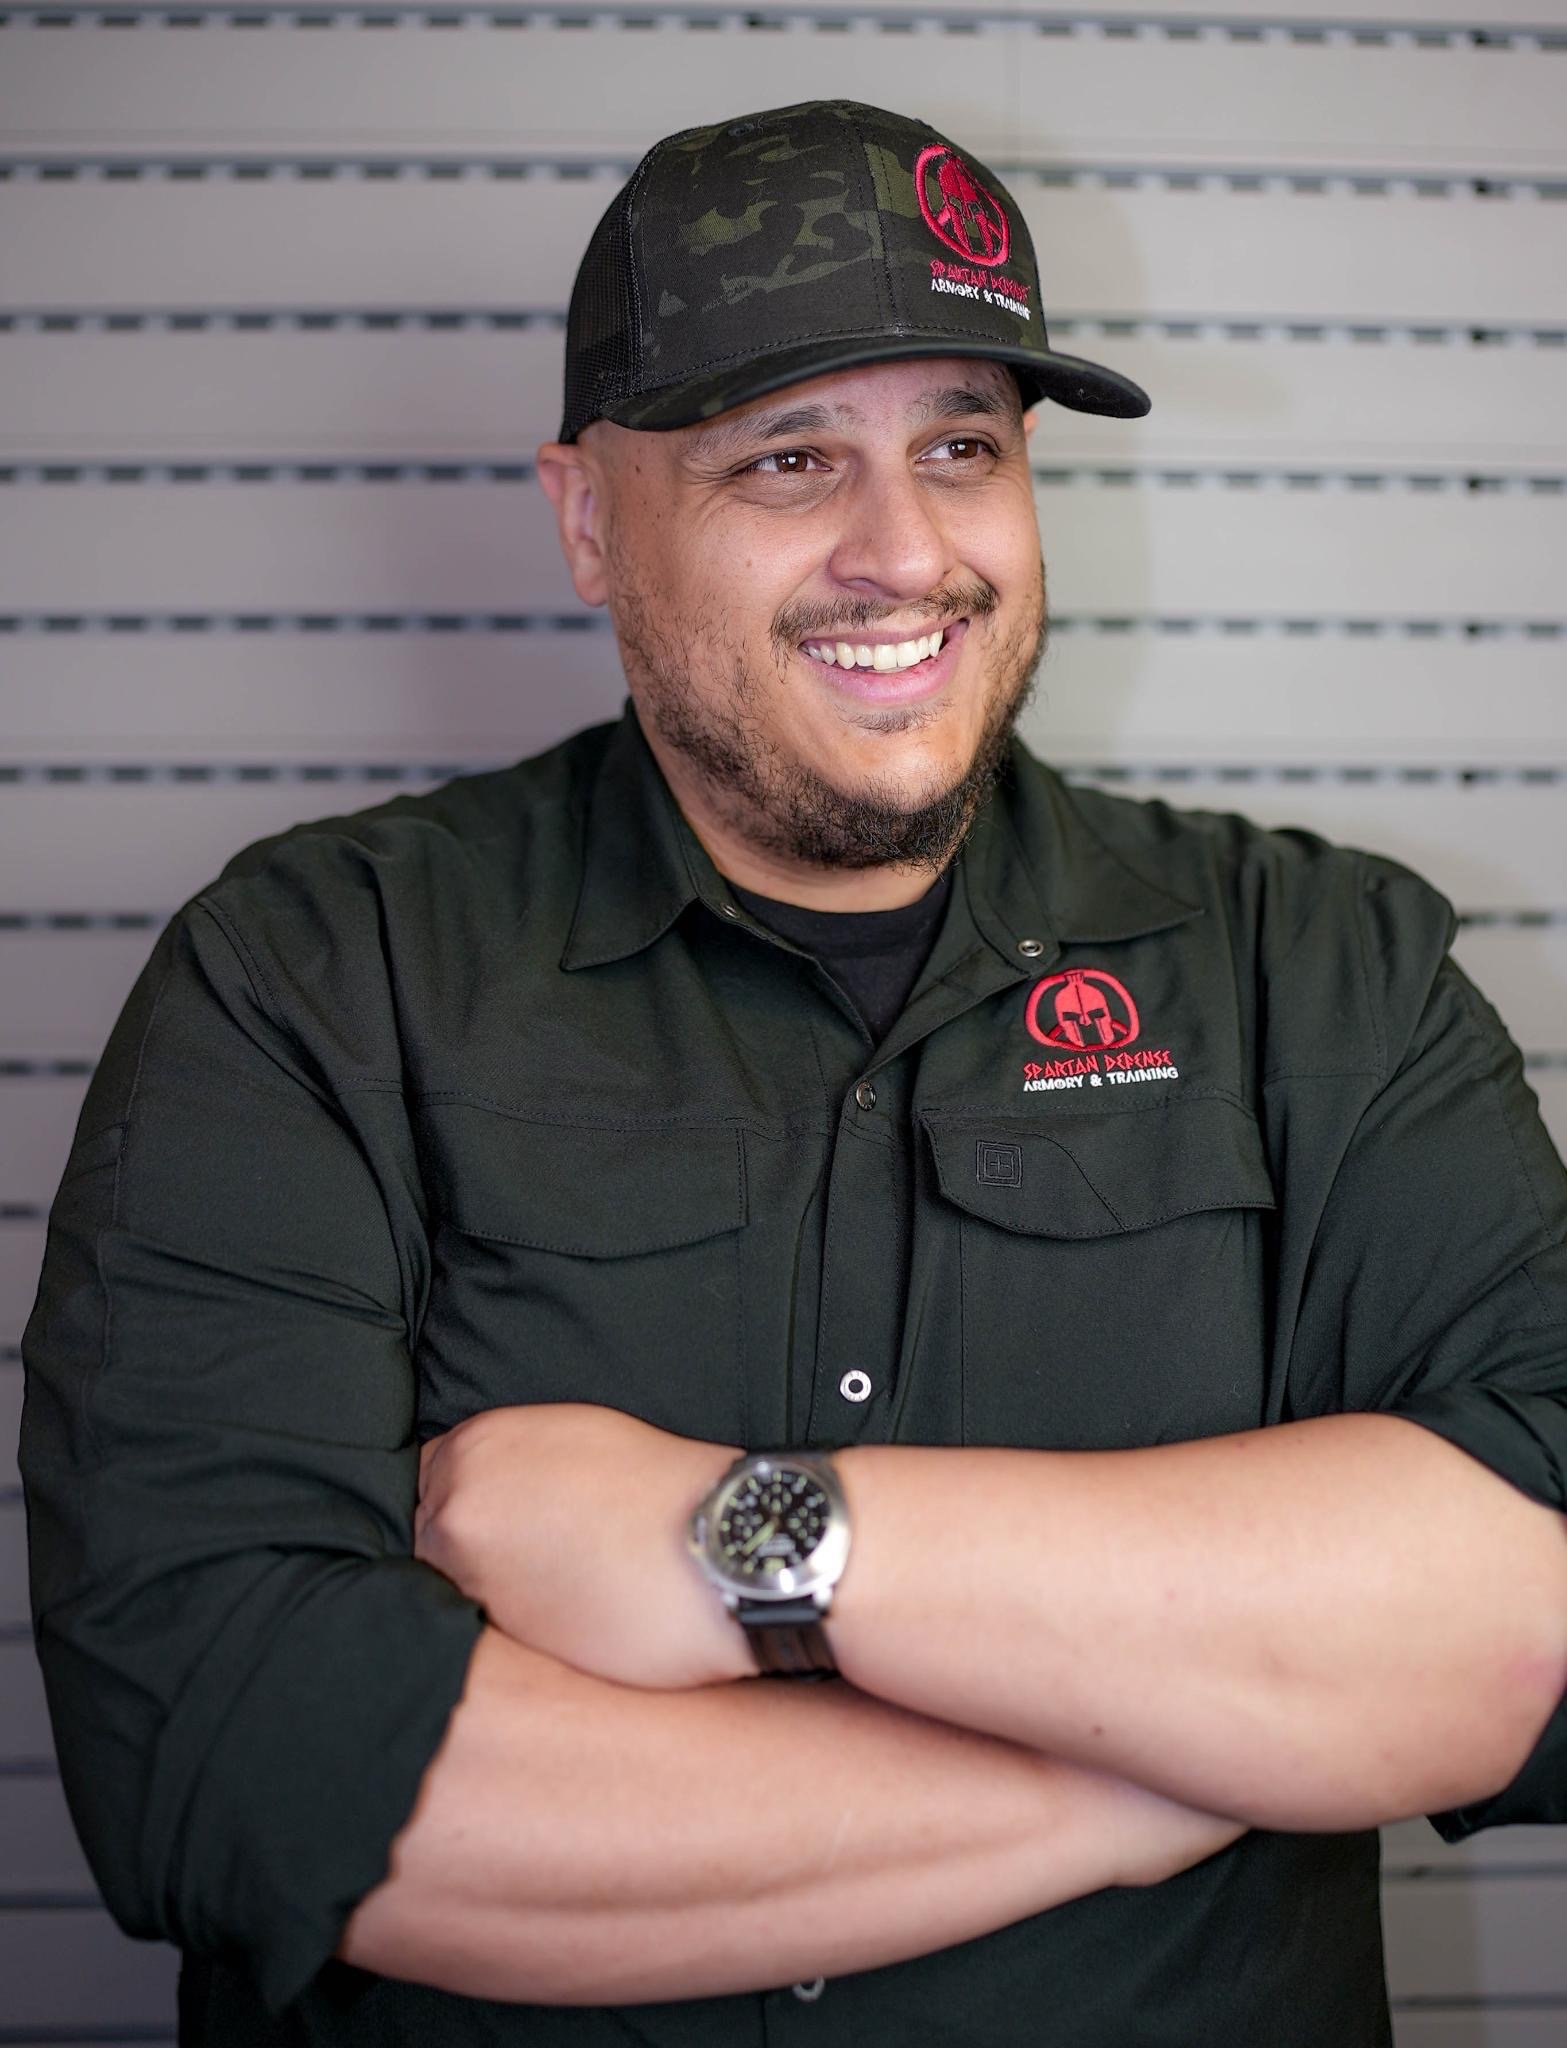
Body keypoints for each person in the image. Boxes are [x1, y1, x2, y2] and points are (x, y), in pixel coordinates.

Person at [20, 98, 1567, 2048]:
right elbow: (245, 1789)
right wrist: (1206, 1753)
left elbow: (1537, 1626)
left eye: (961, 448)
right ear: (589, 519)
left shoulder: (1325, 974)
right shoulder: (313, 984)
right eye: (786, 458)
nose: (902, 549)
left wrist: (744, 1538)